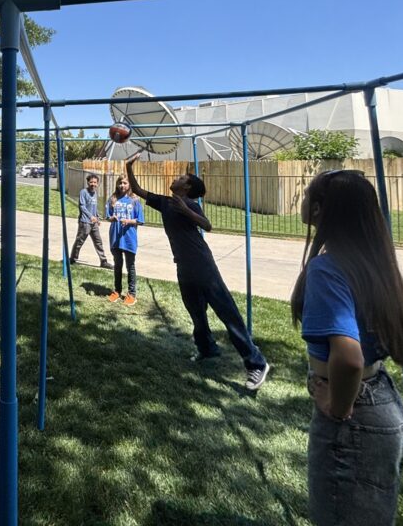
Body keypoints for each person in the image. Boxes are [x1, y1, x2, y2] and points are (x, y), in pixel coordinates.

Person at [294, 169, 403, 526]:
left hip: (354, 411)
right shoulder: (374, 262)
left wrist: (336, 407)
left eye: (306, 196)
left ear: (319, 210)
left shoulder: (326, 268)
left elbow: (348, 358)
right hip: (384, 401)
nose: (302, 201)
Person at [125, 154, 270, 391]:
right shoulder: (166, 202)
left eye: (182, 177)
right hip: (184, 266)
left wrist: (186, 209)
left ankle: (256, 363)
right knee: (195, 312)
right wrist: (129, 167)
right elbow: (139, 190)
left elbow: (207, 225)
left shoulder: (189, 204)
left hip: (202, 265)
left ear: (187, 187)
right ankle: (207, 349)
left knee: (226, 312)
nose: (176, 177)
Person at [106, 174, 144, 306]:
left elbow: (140, 220)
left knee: (130, 266)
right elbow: (108, 216)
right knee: (117, 265)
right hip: (115, 237)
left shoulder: (135, 200)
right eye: (120, 183)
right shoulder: (113, 199)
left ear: (129, 185)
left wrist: (128, 221)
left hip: (129, 238)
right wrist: (112, 218)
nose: (122, 185)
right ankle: (117, 291)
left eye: (125, 183)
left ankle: (132, 294)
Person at [69, 174, 113, 269]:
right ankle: (72, 258)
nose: (93, 184)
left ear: (98, 183)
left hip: (93, 223)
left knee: (98, 241)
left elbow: (94, 207)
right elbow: (82, 206)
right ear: (88, 182)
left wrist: (97, 217)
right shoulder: (83, 192)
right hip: (85, 222)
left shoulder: (95, 193)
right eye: (91, 182)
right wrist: (91, 216)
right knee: (79, 241)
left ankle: (103, 261)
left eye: (95, 182)